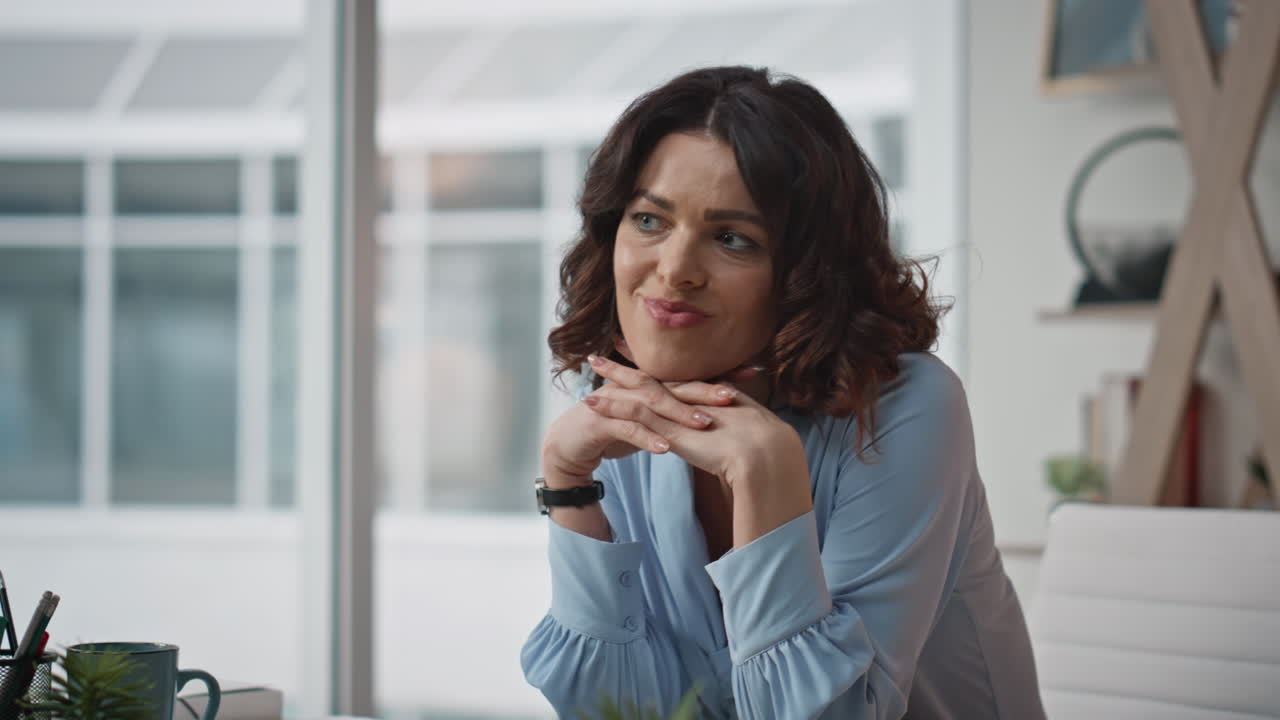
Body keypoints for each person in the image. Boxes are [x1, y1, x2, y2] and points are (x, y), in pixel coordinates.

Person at [520, 66, 1045, 720]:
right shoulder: (619, 409)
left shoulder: (908, 409)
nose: (675, 270)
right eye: (650, 220)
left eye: (732, 238)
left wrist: (765, 480)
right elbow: (620, 710)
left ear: (804, 272)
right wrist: (569, 488)